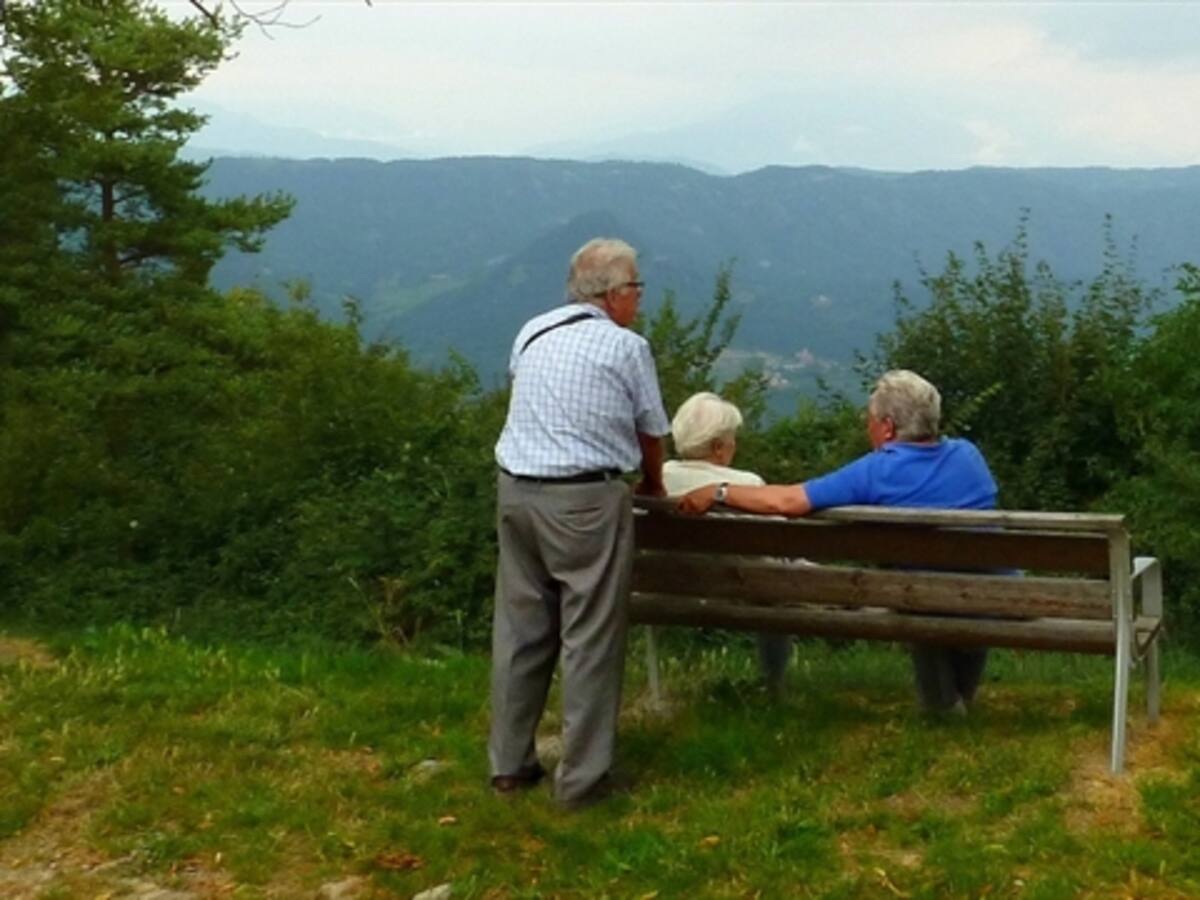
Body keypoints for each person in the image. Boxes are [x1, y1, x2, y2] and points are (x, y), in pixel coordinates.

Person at [677, 369, 998, 714]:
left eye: (870, 419)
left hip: (923, 596)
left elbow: (788, 502)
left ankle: (944, 710)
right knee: (941, 585)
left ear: (887, 427)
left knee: (920, 591)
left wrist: (720, 492)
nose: (867, 426)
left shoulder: (877, 470)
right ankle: (954, 705)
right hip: (992, 595)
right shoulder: (969, 456)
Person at [490, 237, 670, 809]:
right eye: (636, 287)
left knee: (521, 632)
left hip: (516, 492)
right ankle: (582, 782)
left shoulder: (533, 331)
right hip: (585, 500)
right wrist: (653, 484)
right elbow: (651, 431)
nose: (639, 298)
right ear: (614, 294)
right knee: (589, 637)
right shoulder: (626, 347)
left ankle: (509, 766)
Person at [662, 392, 792, 694]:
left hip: (669, 582)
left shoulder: (660, 478)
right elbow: (778, 540)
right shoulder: (746, 484)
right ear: (718, 447)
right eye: (732, 438)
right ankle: (773, 685)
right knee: (782, 582)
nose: (735, 444)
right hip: (749, 586)